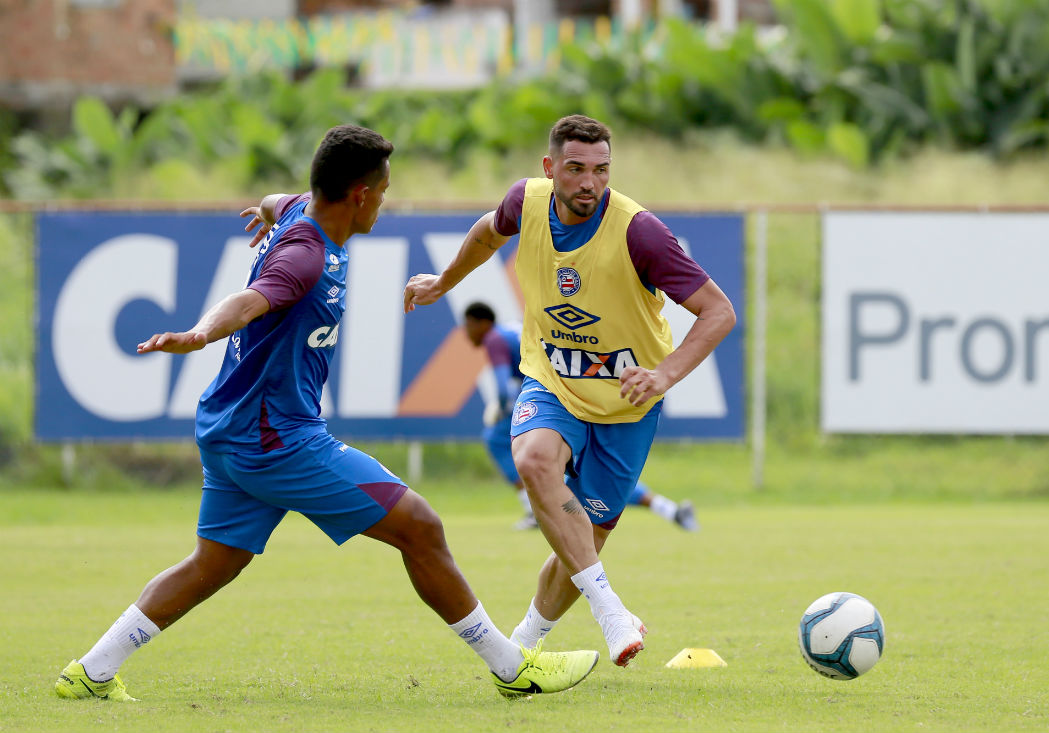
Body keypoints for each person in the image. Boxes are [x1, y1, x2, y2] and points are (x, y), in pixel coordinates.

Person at [54, 125, 599, 703]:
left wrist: (265, 213)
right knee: (421, 527)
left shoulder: (294, 210)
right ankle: (513, 668)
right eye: (384, 192)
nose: (385, 204)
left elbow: (273, 201)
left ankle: (90, 671)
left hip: (231, 428)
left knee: (212, 564)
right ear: (360, 195)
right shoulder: (305, 256)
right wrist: (199, 333)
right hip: (275, 437)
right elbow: (249, 300)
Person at [404, 115, 736, 668]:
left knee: (586, 539)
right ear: (550, 167)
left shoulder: (640, 232)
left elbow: (718, 311)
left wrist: (663, 375)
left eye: (602, 170)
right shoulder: (525, 203)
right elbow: (488, 231)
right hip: (551, 379)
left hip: (626, 407)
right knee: (534, 460)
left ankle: (526, 642)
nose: (590, 182)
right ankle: (612, 613)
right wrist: (443, 283)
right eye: (577, 169)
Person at [463, 300, 700, 532]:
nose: (466, 333)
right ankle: (668, 509)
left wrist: (502, 406)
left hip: (559, 392)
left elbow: (505, 389)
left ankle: (533, 510)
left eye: (468, 326)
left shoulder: (494, 339)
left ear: (481, 323)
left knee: (498, 439)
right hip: (585, 386)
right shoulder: (511, 329)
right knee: (597, 470)